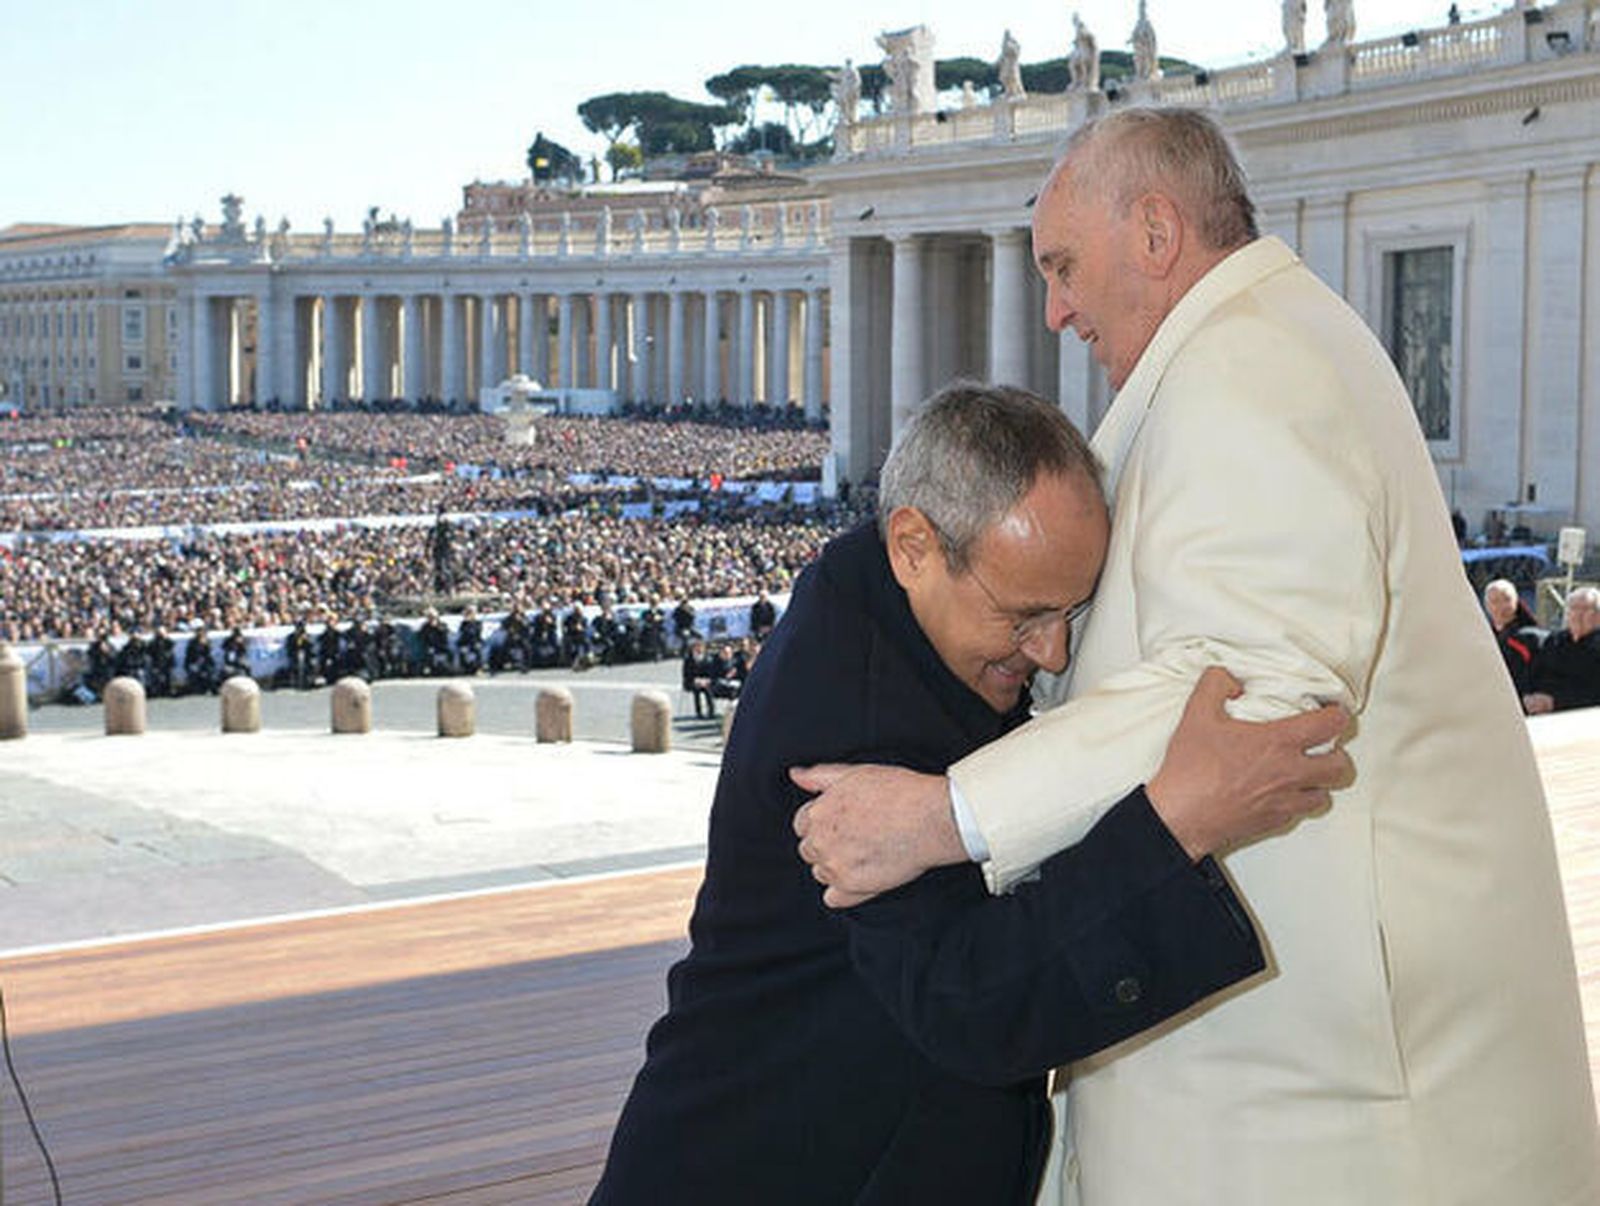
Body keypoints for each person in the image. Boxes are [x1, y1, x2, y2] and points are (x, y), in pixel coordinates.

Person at [792, 108, 1597, 1204]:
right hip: (1273, 1061)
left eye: (1065, 266)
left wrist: (942, 817)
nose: (1055, 308)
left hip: (1328, 1099)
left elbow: (1248, 693)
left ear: (1157, 233)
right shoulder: (1243, 354)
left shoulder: (1253, 369)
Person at [588, 384, 1347, 1206]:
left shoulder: (884, 598)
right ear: (915, 546)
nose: (1052, 653)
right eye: (1024, 617)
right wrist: (1178, 820)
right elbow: (971, 1004)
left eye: (1072, 614)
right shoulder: (855, 719)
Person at [1524, 586, 1600, 715]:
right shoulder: (1554, 640)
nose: (1577, 614)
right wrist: (1528, 697)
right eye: (1573, 608)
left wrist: (1555, 702)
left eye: (1585, 609)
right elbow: (1534, 674)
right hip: (1542, 716)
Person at [1483, 577, 1544, 698]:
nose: (1501, 606)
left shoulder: (1529, 637)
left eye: (1507, 599)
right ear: (1487, 606)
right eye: (1495, 601)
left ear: (1516, 601)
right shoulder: (1484, 637)